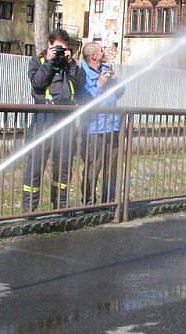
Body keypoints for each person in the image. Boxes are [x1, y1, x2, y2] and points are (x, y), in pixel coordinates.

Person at [22, 29, 86, 212]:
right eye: (56, 48)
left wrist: (71, 62)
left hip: (66, 119)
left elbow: (80, 85)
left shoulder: (70, 65)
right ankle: (29, 210)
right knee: (35, 163)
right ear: (49, 46)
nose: (59, 52)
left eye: (63, 49)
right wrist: (50, 62)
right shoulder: (38, 61)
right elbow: (38, 83)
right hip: (44, 117)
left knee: (64, 164)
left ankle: (60, 206)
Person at [77, 42, 124, 205]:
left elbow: (118, 94)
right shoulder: (81, 73)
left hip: (112, 126)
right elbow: (85, 100)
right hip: (93, 128)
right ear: (93, 56)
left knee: (112, 166)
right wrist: (99, 85)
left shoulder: (106, 70)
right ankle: (89, 202)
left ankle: (109, 202)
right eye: (100, 50)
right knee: (93, 166)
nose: (103, 52)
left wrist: (116, 82)